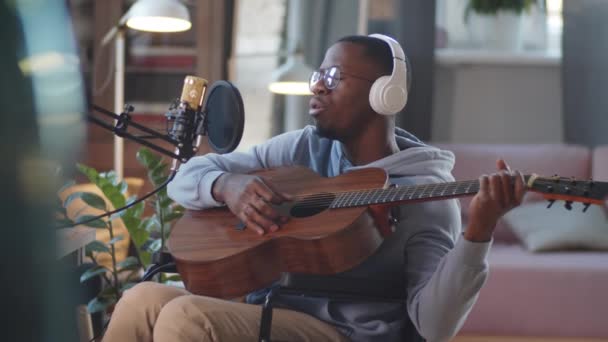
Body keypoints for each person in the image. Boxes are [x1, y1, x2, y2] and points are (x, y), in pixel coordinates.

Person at [102, 34, 525, 342]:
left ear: (385, 95)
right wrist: (227, 185)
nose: (317, 85)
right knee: (141, 299)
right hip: (267, 309)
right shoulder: (302, 148)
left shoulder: (425, 194)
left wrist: (478, 234)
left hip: (346, 330)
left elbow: (434, 326)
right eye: (319, 73)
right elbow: (190, 177)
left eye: (335, 76)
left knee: (186, 317)